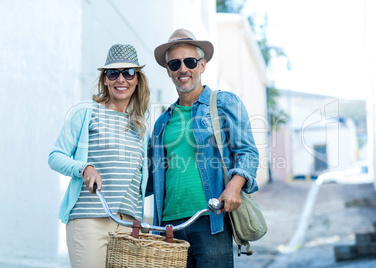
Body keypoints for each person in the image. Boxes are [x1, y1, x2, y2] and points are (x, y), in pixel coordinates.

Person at [149, 29, 260, 267]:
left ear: (202, 65)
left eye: (190, 61)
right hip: (169, 227)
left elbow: (248, 152)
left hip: (211, 220)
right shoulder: (162, 123)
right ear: (168, 70)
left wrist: (234, 186)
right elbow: (148, 175)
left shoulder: (224, 103)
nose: (183, 69)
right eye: (175, 63)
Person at [48, 44, 151, 268]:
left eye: (128, 72)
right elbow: (55, 156)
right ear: (105, 79)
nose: (121, 79)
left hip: (127, 225)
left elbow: (142, 180)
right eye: (113, 73)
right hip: (88, 220)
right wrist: (84, 168)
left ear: (137, 79)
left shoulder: (141, 127)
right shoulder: (86, 112)